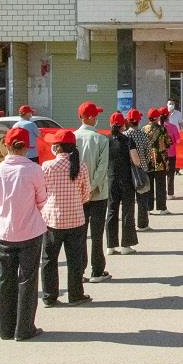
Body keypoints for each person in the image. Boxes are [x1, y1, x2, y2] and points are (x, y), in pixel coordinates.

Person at [0, 127, 47, 341]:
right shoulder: (34, 170)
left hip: (5, 231)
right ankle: (24, 328)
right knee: (28, 280)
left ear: (6, 146)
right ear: (27, 147)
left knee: (5, 279)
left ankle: (5, 328)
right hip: (30, 230)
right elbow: (42, 199)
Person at [40, 129, 92, 308]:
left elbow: (42, 191)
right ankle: (76, 295)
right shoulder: (81, 166)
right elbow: (86, 193)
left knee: (49, 259)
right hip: (75, 218)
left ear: (58, 147)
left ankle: (49, 296)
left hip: (52, 219)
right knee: (75, 260)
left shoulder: (47, 166)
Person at [75, 101, 111, 283]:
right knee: (97, 235)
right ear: (91, 117)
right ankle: (97, 270)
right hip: (98, 193)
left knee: (79, 235)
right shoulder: (101, 139)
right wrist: (92, 186)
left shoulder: (72, 138)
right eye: (95, 115)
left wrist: (82, 188)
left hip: (76, 194)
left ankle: (78, 272)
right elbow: (102, 167)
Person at [106, 112, 138, 255]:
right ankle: (126, 245)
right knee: (127, 211)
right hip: (126, 179)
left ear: (110, 124)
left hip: (111, 178)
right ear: (123, 125)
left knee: (112, 210)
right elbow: (136, 160)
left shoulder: (105, 140)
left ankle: (110, 246)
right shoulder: (128, 140)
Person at [125, 108, 153, 231]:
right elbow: (149, 153)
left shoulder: (124, 135)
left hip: (127, 172)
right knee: (142, 199)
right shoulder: (143, 135)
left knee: (129, 200)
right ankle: (142, 224)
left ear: (128, 121)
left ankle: (129, 225)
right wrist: (144, 163)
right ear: (139, 121)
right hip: (141, 170)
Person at [143, 107, 172, 215]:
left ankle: (148, 208)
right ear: (156, 118)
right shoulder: (162, 129)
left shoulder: (143, 129)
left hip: (147, 160)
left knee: (148, 186)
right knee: (161, 185)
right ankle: (162, 208)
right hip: (160, 160)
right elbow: (168, 143)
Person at [163, 109, 182, 200]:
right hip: (171, 153)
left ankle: (161, 194)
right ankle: (170, 194)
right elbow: (178, 140)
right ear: (168, 116)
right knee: (170, 174)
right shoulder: (173, 127)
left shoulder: (157, 127)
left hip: (159, 155)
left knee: (160, 175)